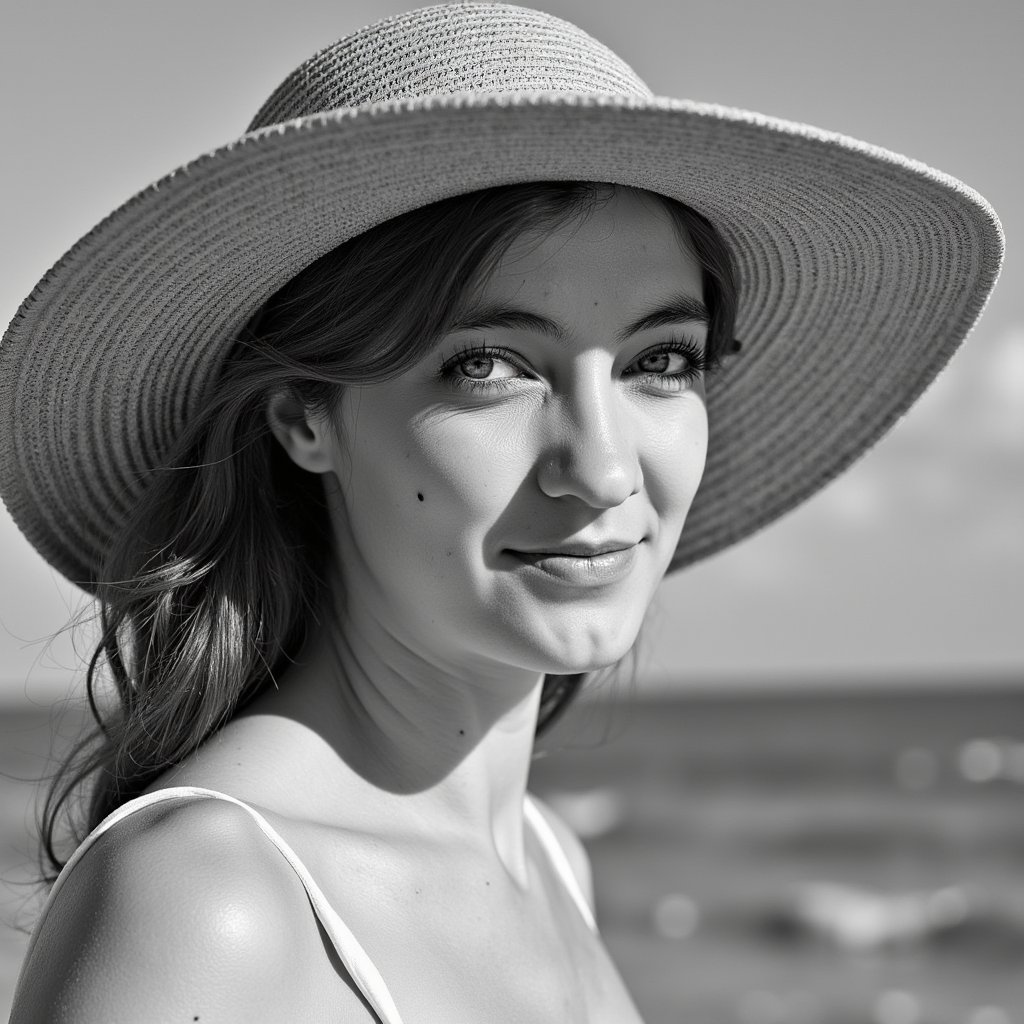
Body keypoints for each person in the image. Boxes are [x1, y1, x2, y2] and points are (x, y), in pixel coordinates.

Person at [0, 4, 1002, 1022]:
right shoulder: (211, 903)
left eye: (661, 361)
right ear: (305, 417)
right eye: (489, 366)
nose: (603, 466)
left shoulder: (548, 858)